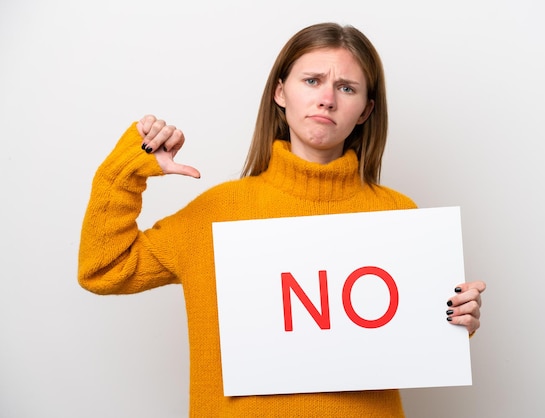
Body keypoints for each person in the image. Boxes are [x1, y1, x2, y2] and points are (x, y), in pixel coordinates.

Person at [78, 22, 486, 417]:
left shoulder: (400, 218)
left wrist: (455, 320)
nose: (327, 98)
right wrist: (129, 168)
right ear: (280, 92)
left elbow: (416, 338)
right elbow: (103, 268)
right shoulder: (216, 214)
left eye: (346, 88)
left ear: (365, 111)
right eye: (312, 81)